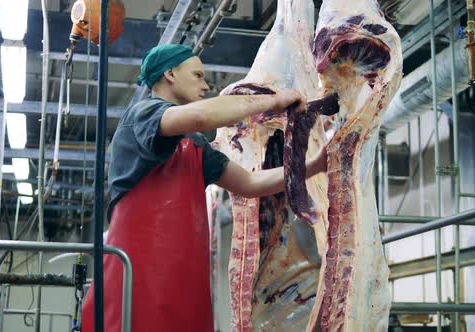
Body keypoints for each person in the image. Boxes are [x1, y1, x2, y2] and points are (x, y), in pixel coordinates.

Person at [81, 44, 327, 332]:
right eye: (197, 75)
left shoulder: (195, 143)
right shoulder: (144, 114)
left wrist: (315, 165)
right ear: (170, 74)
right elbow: (199, 116)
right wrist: (271, 102)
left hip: (185, 277)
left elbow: (249, 183)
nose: (206, 84)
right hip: (139, 273)